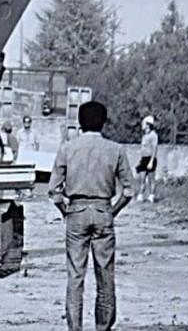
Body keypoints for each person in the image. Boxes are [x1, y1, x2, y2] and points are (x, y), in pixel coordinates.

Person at [48, 101, 134, 331]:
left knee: (75, 276)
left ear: (79, 122)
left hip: (76, 211)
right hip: (103, 210)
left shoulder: (67, 148)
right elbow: (129, 191)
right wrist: (112, 211)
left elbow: (54, 192)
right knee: (105, 275)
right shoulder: (116, 150)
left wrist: (65, 211)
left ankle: (75, 328)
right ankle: (102, 327)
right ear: (103, 122)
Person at [136, 115, 159, 203]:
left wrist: (151, 161)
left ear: (148, 125)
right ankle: (141, 194)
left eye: (144, 123)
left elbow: (154, 148)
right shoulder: (144, 136)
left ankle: (151, 195)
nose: (142, 125)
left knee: (151, 179)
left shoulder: (153, 135)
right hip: (144, 158)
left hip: (150, 159)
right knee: (142, 178)